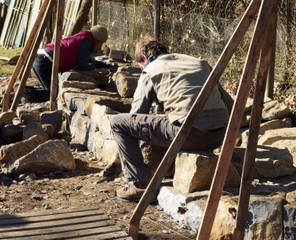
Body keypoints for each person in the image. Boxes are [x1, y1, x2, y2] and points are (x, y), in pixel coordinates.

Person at [110, 39, 230, 202]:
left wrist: (118, 157)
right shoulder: (199, 63)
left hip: (189, 135)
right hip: (219, 136)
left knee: (118, 123)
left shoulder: (151, 69)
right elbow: (230, 105)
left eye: (140, 66)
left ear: (144, 59)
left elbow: (136, 114)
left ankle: (140, 184)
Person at [27, 25, 109, 102]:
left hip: (42, 56)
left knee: (48, 89)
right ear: (97, 41)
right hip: (46, 60)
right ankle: (25, 94)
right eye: (101, 43)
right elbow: (82, 65)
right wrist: (94, 68)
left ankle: (24, 91)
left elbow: (86, 58)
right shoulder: (87, 42)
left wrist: (102, 64)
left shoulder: (85, 36)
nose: (100, 46)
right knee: (52, 93)